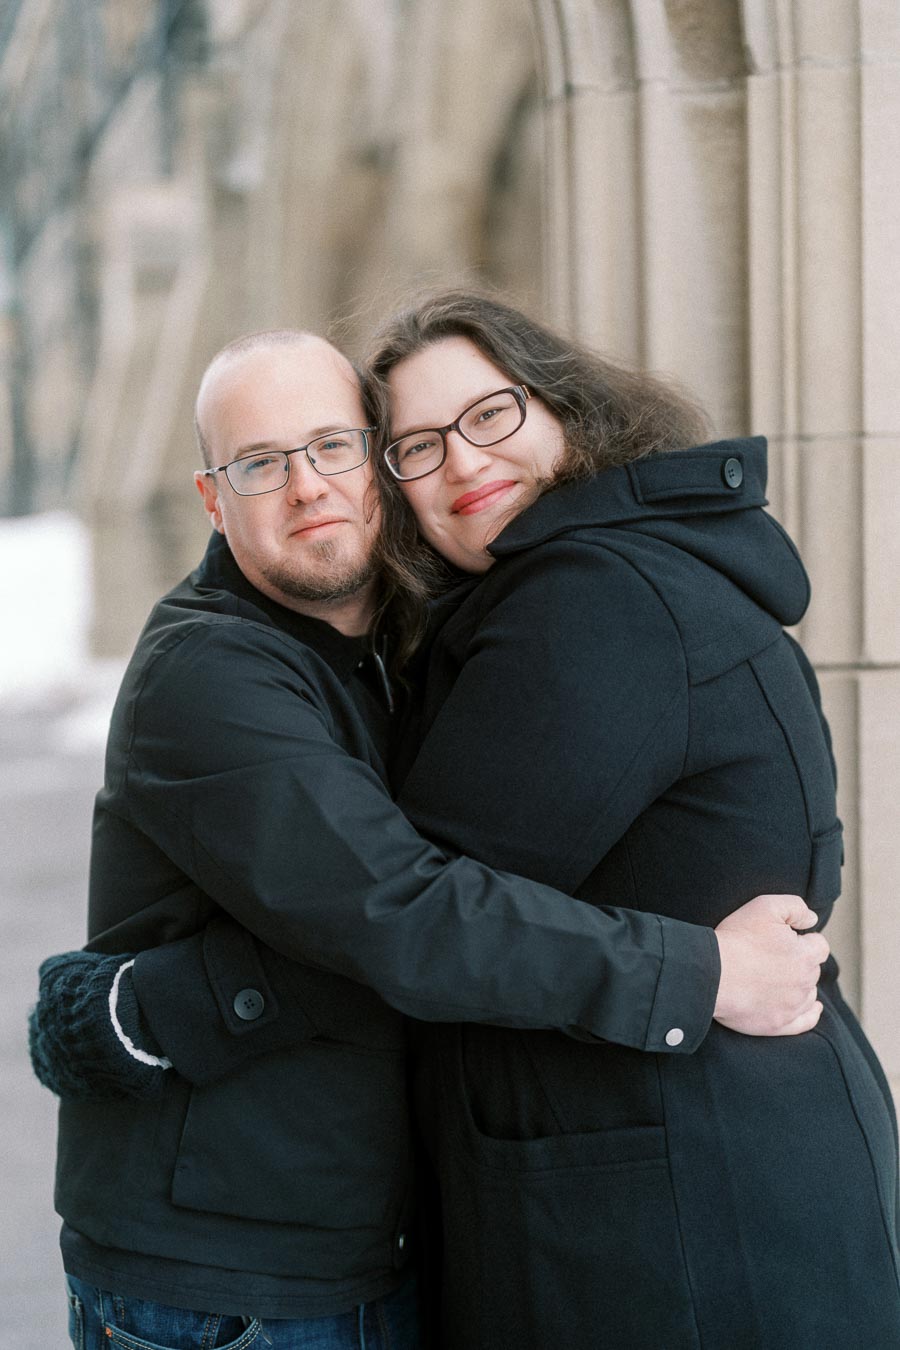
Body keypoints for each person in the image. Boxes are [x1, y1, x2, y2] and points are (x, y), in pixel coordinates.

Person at [28, 328, 826, 1350]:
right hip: (229, 1283)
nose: (307, 486)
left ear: (376, 464)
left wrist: (165, 1006)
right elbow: (401, 912)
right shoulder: (210, 675)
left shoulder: (403, 649)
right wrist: (699, 973)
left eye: (332, 447)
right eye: (260, 465)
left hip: (363, 1245)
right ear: (213, 502)